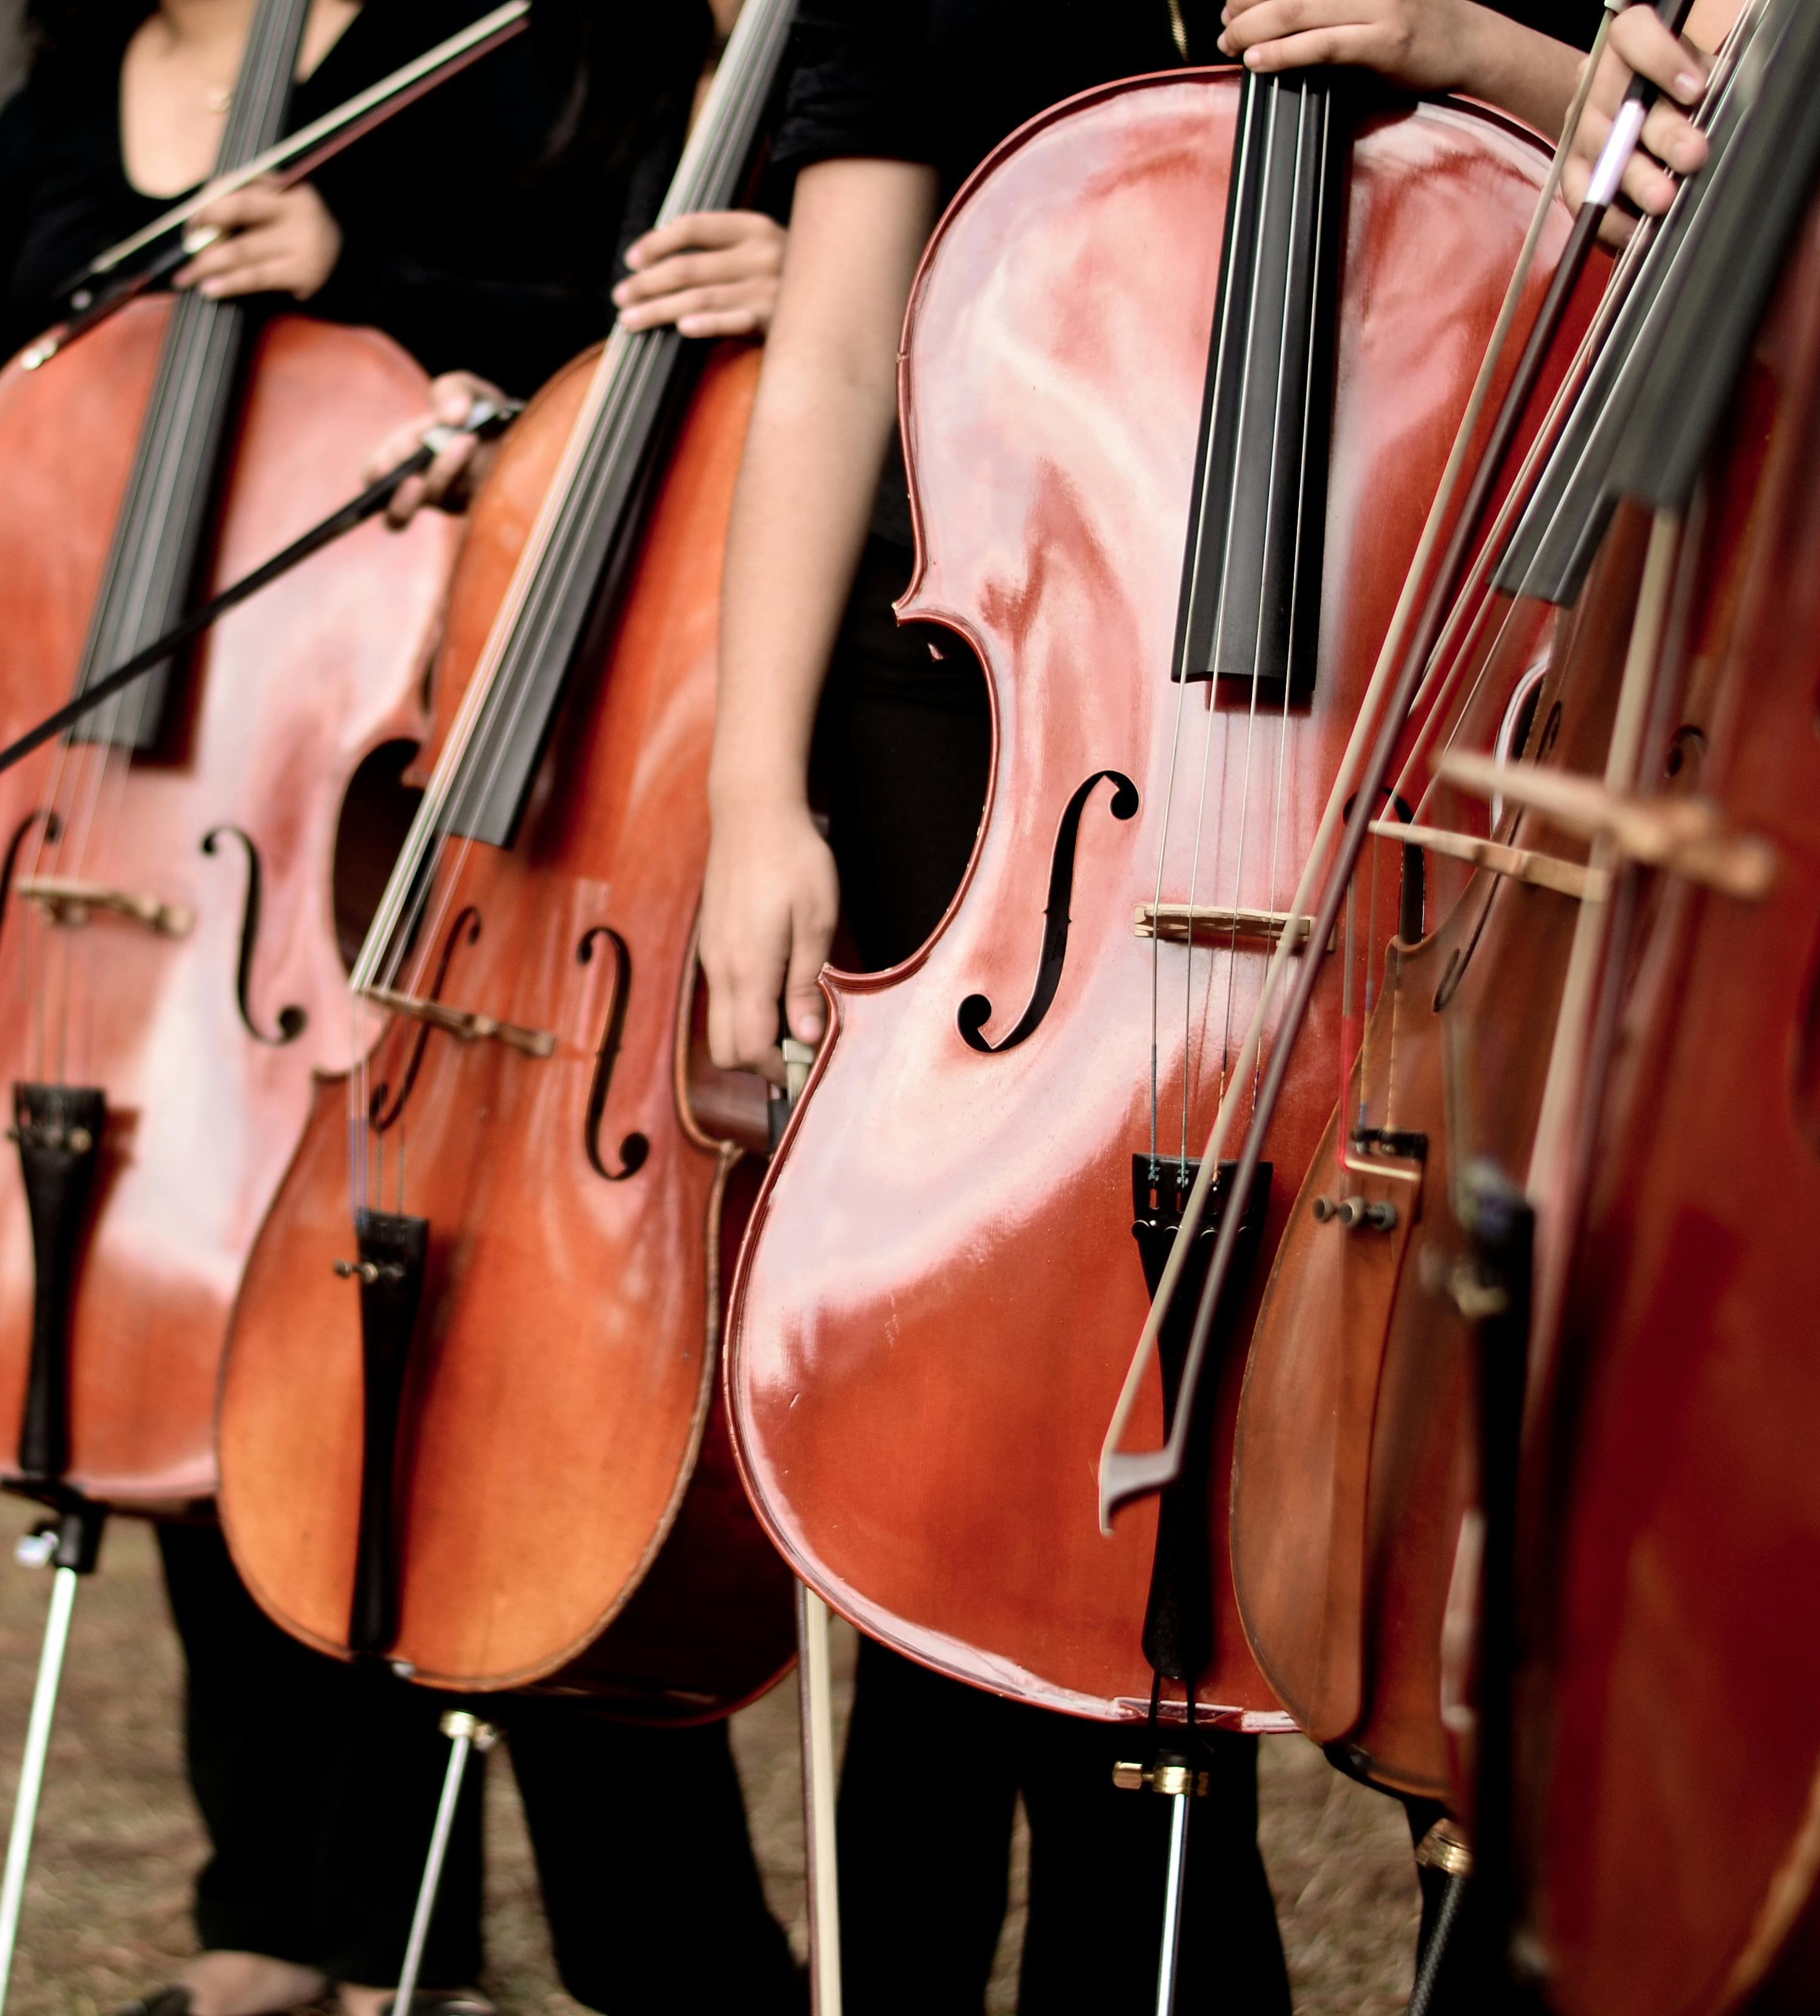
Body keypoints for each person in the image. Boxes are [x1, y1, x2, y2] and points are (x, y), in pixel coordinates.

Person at [690, 1, 1668, 2010]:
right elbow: (833, 363)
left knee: (1455, 1530)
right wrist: (746, 798)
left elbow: (1688, 178)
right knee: (1004, 1467)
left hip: (1410, 867)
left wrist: (1474, 44)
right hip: (1062, 805)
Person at [0, 6, 795, 2015]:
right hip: (112, 835)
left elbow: (609, 351)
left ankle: (628, 1957)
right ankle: (325, 1930)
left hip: (383, 810)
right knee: (254, 1392)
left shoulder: (508, 57)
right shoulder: (58, 108)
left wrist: (357, 280)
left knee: (462, 1407)